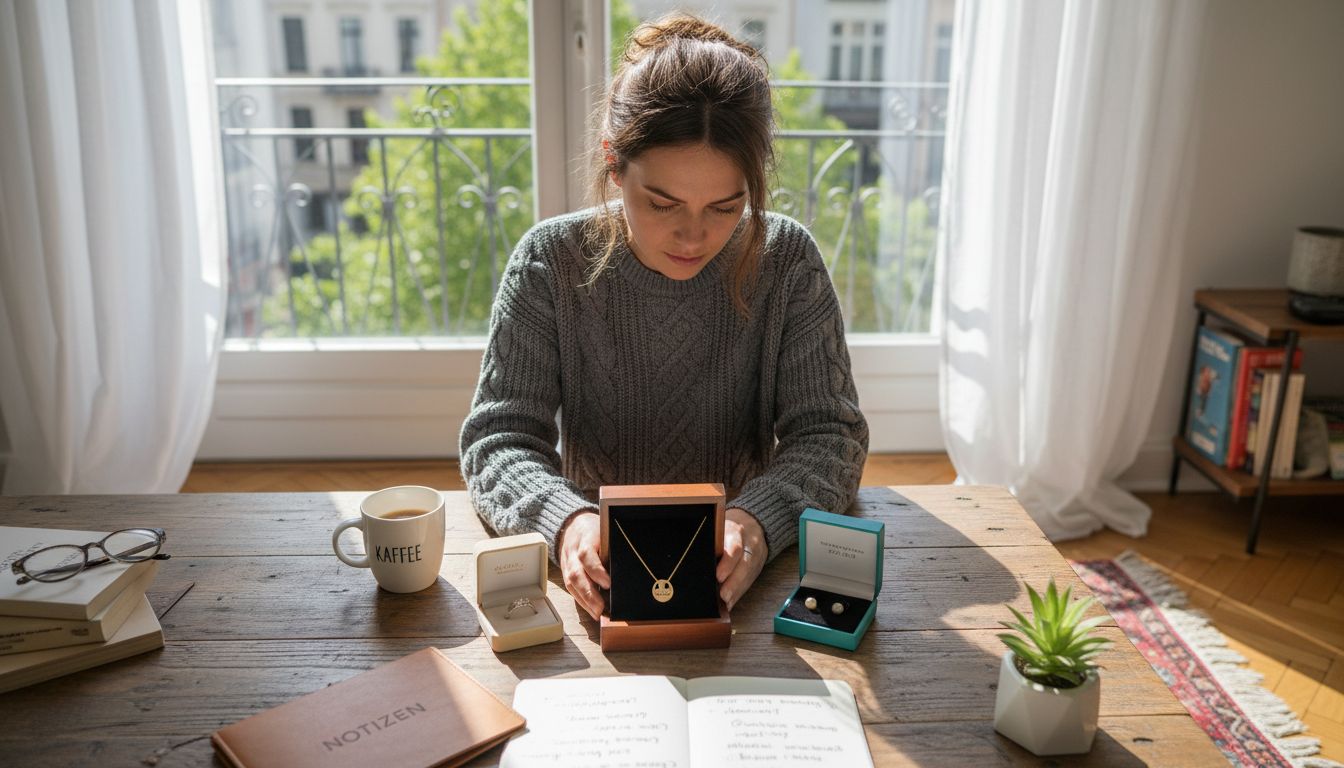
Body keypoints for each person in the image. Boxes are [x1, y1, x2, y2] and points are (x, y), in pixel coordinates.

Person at [459, 14, 868, 620]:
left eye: (726, 206)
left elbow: (831, 436)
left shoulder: (787, 261)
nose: (693, 235)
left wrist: (757, 520)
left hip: (739, 576)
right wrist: (566, 522)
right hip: (599, 580)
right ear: (614, 162)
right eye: (662, 203)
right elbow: (498, 440)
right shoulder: (548, 261)